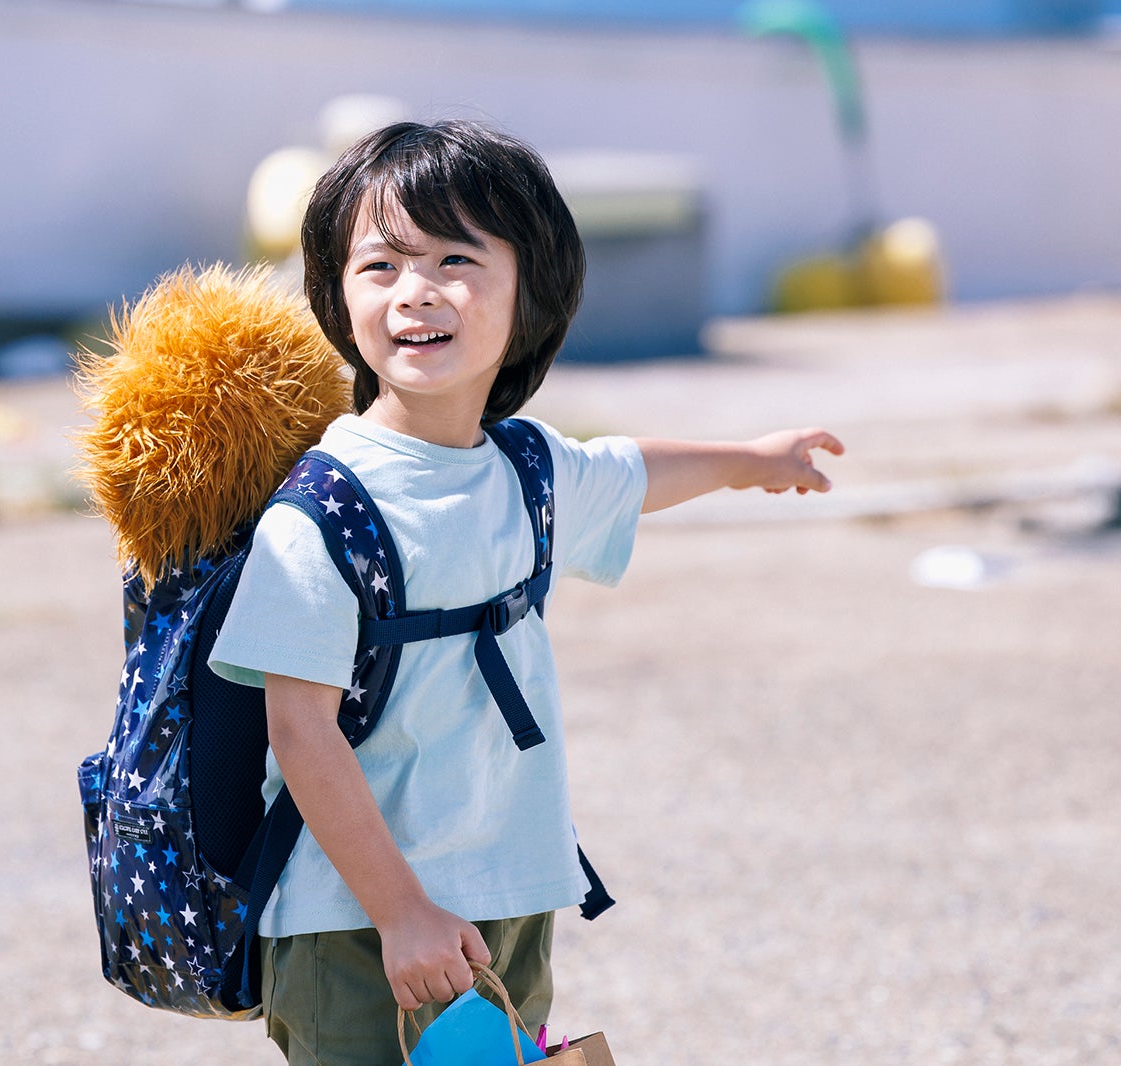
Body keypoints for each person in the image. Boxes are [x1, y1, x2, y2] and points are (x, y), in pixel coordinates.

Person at [209, 120, 843, 1064]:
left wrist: (752, 460)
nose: (415, 290)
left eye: (456, 259)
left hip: (508, 892)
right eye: (380, 265)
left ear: (530, 291)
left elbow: (629, 472)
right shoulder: (324, 512)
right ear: (338, 296)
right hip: (356, 917)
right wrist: (402, 912)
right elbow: (300, 732)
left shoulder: (526, 470)